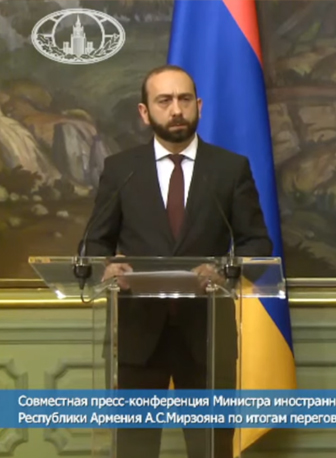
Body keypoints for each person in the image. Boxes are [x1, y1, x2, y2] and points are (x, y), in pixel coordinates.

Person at [81, 65, 272, 458]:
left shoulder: (229, 169)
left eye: (184, 99)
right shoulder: (121, 170)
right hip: (136, 337)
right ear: (144, 112)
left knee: (210, 449)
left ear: (199, 105)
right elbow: (94, 244)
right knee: (134, 450)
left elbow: (257, 243)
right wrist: (106, 267)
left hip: (207, 336)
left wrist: (223, 271)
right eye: (164, 101)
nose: (176, 110)